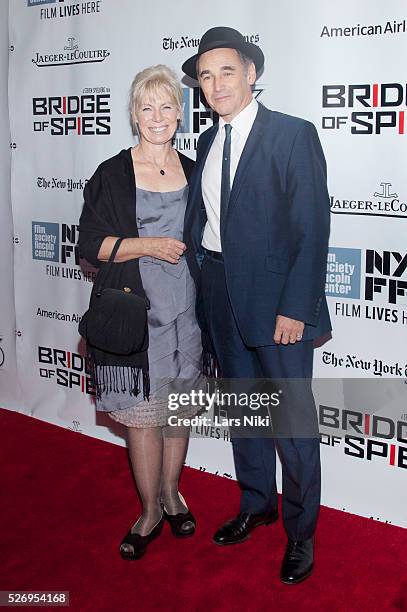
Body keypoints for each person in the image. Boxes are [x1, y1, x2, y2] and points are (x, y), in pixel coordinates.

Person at [182, 27, 331, 584]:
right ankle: (256, 502)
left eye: (226, 71)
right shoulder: (205, 142)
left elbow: (312, 230)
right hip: (219, 292)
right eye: (205, 75)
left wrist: (296, 307)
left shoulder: (293, 135)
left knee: (291, 421)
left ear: (251, 74)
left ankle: (301, 532)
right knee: (245, 414)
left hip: (277, 305)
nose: (215, 83)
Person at [78, 65, 203, 560]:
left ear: (179, 111)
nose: (157, 117)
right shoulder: (112, 173)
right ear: (134, 114)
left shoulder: (195, 169)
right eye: (147, 107)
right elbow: (89, 245)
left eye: (167, 106)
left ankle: (173, 495)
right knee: (142, 418)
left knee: (177, 413)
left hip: (189, 315)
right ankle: (149, 510)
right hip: (136, 315)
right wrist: (145, 245)